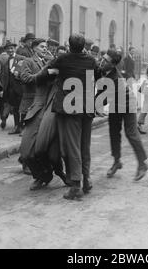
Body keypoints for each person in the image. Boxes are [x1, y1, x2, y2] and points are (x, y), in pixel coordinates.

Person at [49, 33, 98, 200]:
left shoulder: (63, 59)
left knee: (73, 146)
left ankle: (76, 185)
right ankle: (87, 179)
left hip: (71, 107)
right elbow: (97, 78)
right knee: (85, 145)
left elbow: (50, 72)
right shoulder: (91, 60)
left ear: (69, 46)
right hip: (88, 106)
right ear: (83, 46)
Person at [96, 49, 148, 181]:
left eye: (106, 60)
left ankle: (142, 164)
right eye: (103, 58)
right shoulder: (101, 70)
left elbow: (103, 97)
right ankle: (117, 161)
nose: (102, 61)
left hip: (127, 103)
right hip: (115, 103)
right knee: (114, 132)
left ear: (113, 65)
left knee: (131, 133)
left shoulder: (115, 78)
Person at [19, 61, 67, 190]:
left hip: (54, 117)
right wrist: (48, 72)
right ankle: (42, 175)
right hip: (37, 113)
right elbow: (33, 79)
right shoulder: (45, 73)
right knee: (26, 152)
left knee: (52, 154)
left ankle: (58, 172)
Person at [0, 40, 25, 135]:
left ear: (15, 49)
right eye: (8, 49)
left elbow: (26, 71)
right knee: (14, 108)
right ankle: (16, 126)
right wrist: (2, 89)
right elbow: (4, 77)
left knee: (22, 108)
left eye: (11, 48)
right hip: (10, 90)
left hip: (20, 88)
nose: (10, 50)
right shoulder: (6, 62)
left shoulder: (21, 58)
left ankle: (22, 127)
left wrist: (19, 74)